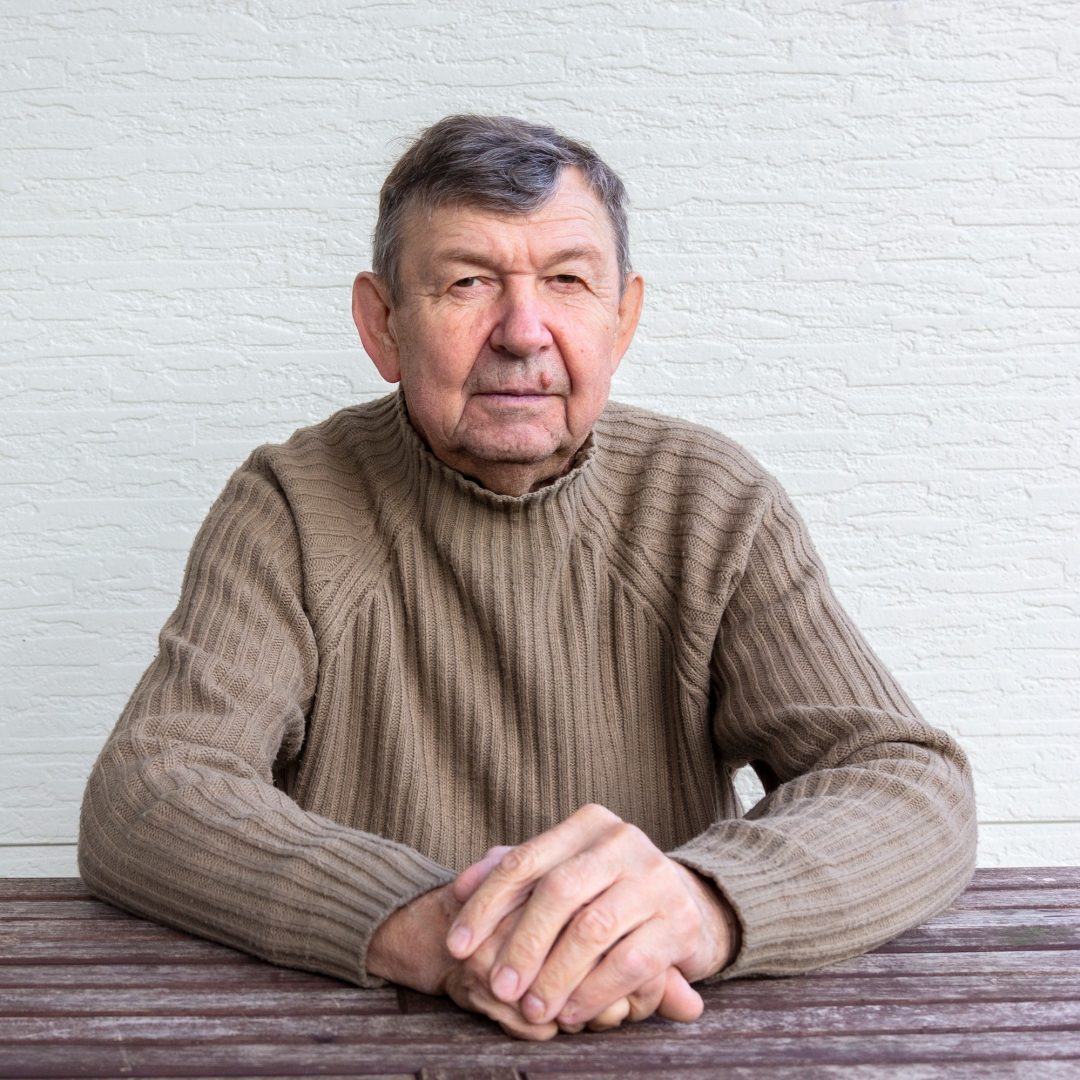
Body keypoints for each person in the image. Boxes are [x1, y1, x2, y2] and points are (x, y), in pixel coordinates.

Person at [78, 114, 977, 1040]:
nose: (522, 331)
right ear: (382, 324)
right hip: (361, 1043)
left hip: (663, 1039)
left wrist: (695, 906)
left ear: (621, 319)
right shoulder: (293, 504)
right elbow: (150, 791)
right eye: (468, 282)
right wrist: (424, 921)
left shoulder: (709, 500)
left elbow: (909, 783)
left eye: (567, 281)